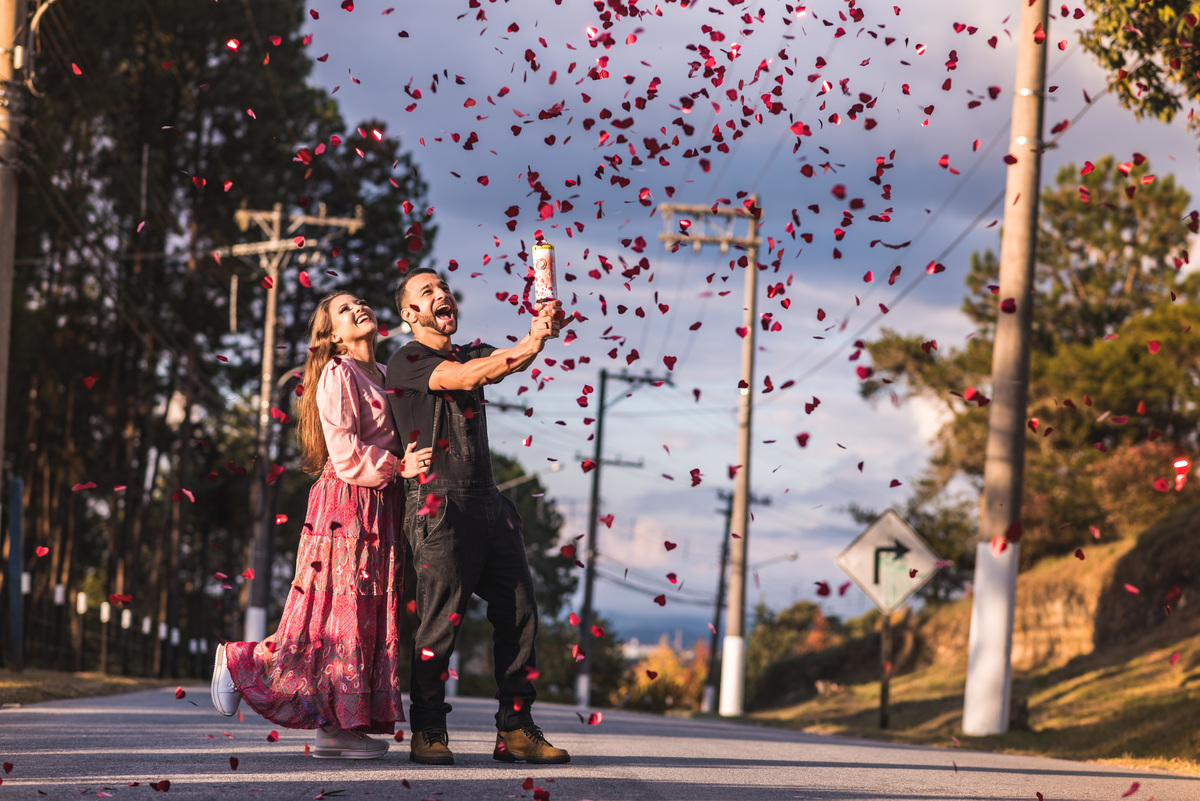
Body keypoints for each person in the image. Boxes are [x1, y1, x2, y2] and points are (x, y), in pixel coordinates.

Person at [211, 292, 431, 759]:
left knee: (364, 614)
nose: (358, 309)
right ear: (333, 336)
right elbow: (346, 454)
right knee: (328, 614)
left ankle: (336, 726)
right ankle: (240, 661)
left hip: (382, 505)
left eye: (361, 302)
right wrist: (400, 467)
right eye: (345, 310)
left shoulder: (386, 373)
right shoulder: (338, 372)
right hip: (347, 502)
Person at [385, 267, 568, 766]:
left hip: (489, 501)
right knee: (439, 625)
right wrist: (531, 340)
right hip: (438, 504)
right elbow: (468, 378)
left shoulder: (470, 352)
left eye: (443, 287)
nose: (441, 293)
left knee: (520, 611)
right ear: (409, 314)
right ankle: (428, 730)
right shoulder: (407, 361)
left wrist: (538, 333)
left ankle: (515, 729)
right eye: (427, 291)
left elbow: (500, 363)